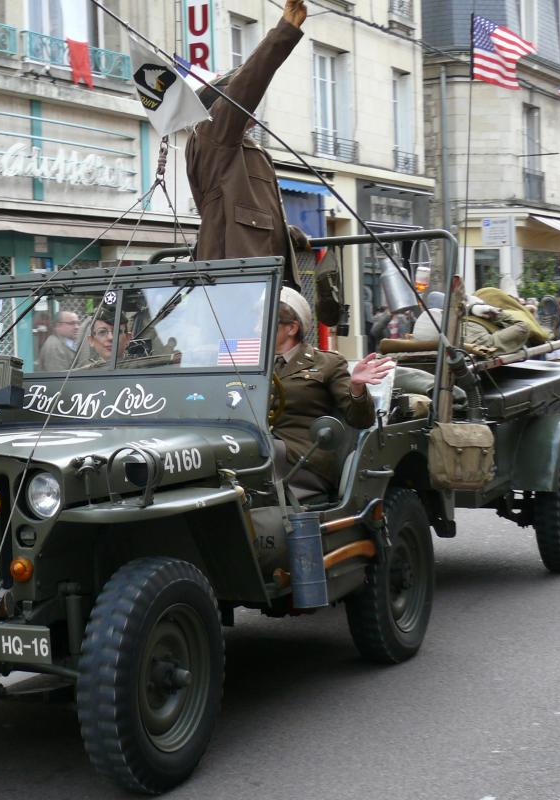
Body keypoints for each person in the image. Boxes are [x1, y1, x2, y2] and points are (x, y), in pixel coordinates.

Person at [186, 0, 307, 288]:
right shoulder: (212, 135)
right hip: (239, 283)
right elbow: (248, 85)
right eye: (232, 94)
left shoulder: (242, 148)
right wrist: (284, 32)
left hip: (260, 278)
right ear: (218, 107)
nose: (249, 104)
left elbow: (243, 215)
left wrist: (285, 234)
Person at [273, 288, 392, 493]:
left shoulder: (327, 363)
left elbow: (361, 420)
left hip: (303, 458)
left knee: (257, 452)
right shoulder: (251, 365)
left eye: (266, 323)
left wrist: (356, 387)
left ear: (291, 328)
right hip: (261, 450)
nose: (257, 328)